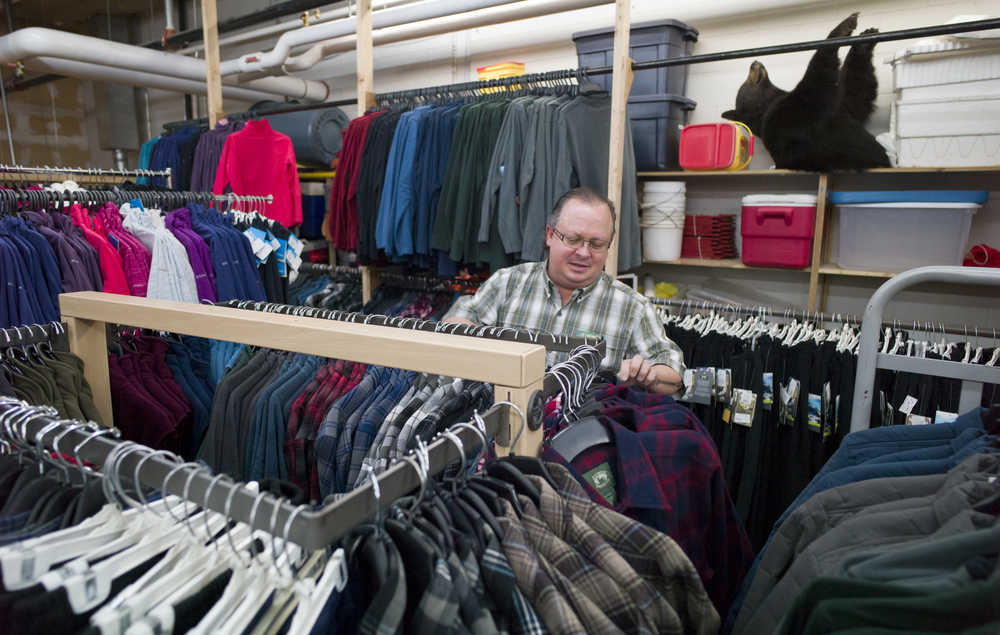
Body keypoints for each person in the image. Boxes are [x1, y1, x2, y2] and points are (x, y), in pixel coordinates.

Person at [443, 186, 685, 394]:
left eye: (597, 244)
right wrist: (469, 336)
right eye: (573, 239)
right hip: (500, 421)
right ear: (550, 235)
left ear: (609, 246)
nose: (584, 253)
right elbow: (455, 322)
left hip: (583, 431)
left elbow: (674, 373)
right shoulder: (507, 284)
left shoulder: (633, 308)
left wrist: (648, 374)